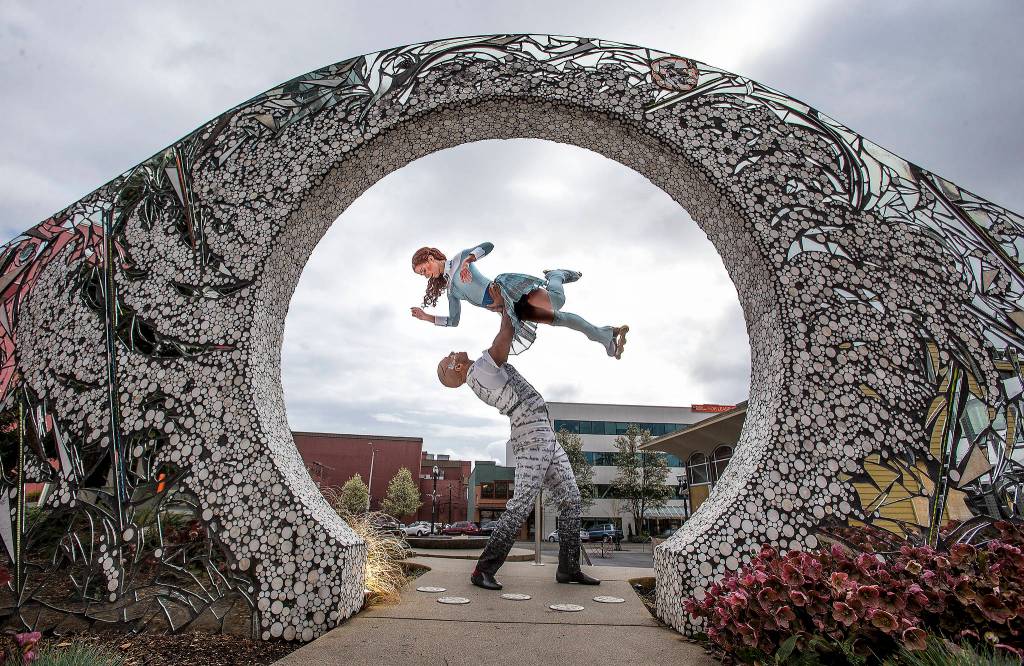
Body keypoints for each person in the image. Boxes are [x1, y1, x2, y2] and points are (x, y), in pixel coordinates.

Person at [436, 309, 601, 590]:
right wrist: (505, 307)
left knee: (571, 497)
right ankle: (483, 570)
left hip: (542, 432)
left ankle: (569, 568)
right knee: (521, 504)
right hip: (532, 435)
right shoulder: (480, 369)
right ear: (456, 369)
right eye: (450, 358)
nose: (454, 353)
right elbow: (505, 336)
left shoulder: (479, 371)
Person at [411, 243, 628, 357]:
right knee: (559, 319)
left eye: (424, 269)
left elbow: (488, 245)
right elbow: (454, 321)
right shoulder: (452, 291)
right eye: (422, 274)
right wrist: (426, 317)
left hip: (506, 289)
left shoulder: (459, 259)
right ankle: (604, 336)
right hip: (507, 308)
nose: (425, 274)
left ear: (431, 258)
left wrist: (468, 260)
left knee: (557, 301)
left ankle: (556, 275)